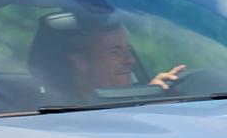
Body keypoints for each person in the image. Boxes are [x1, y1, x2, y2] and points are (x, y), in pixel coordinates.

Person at [29, 10, 184, 103]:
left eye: (129, 50)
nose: (130, 60)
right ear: (81, 62)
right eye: (115, 51)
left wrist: (151, 93)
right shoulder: (48, 117)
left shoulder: (126, 104)